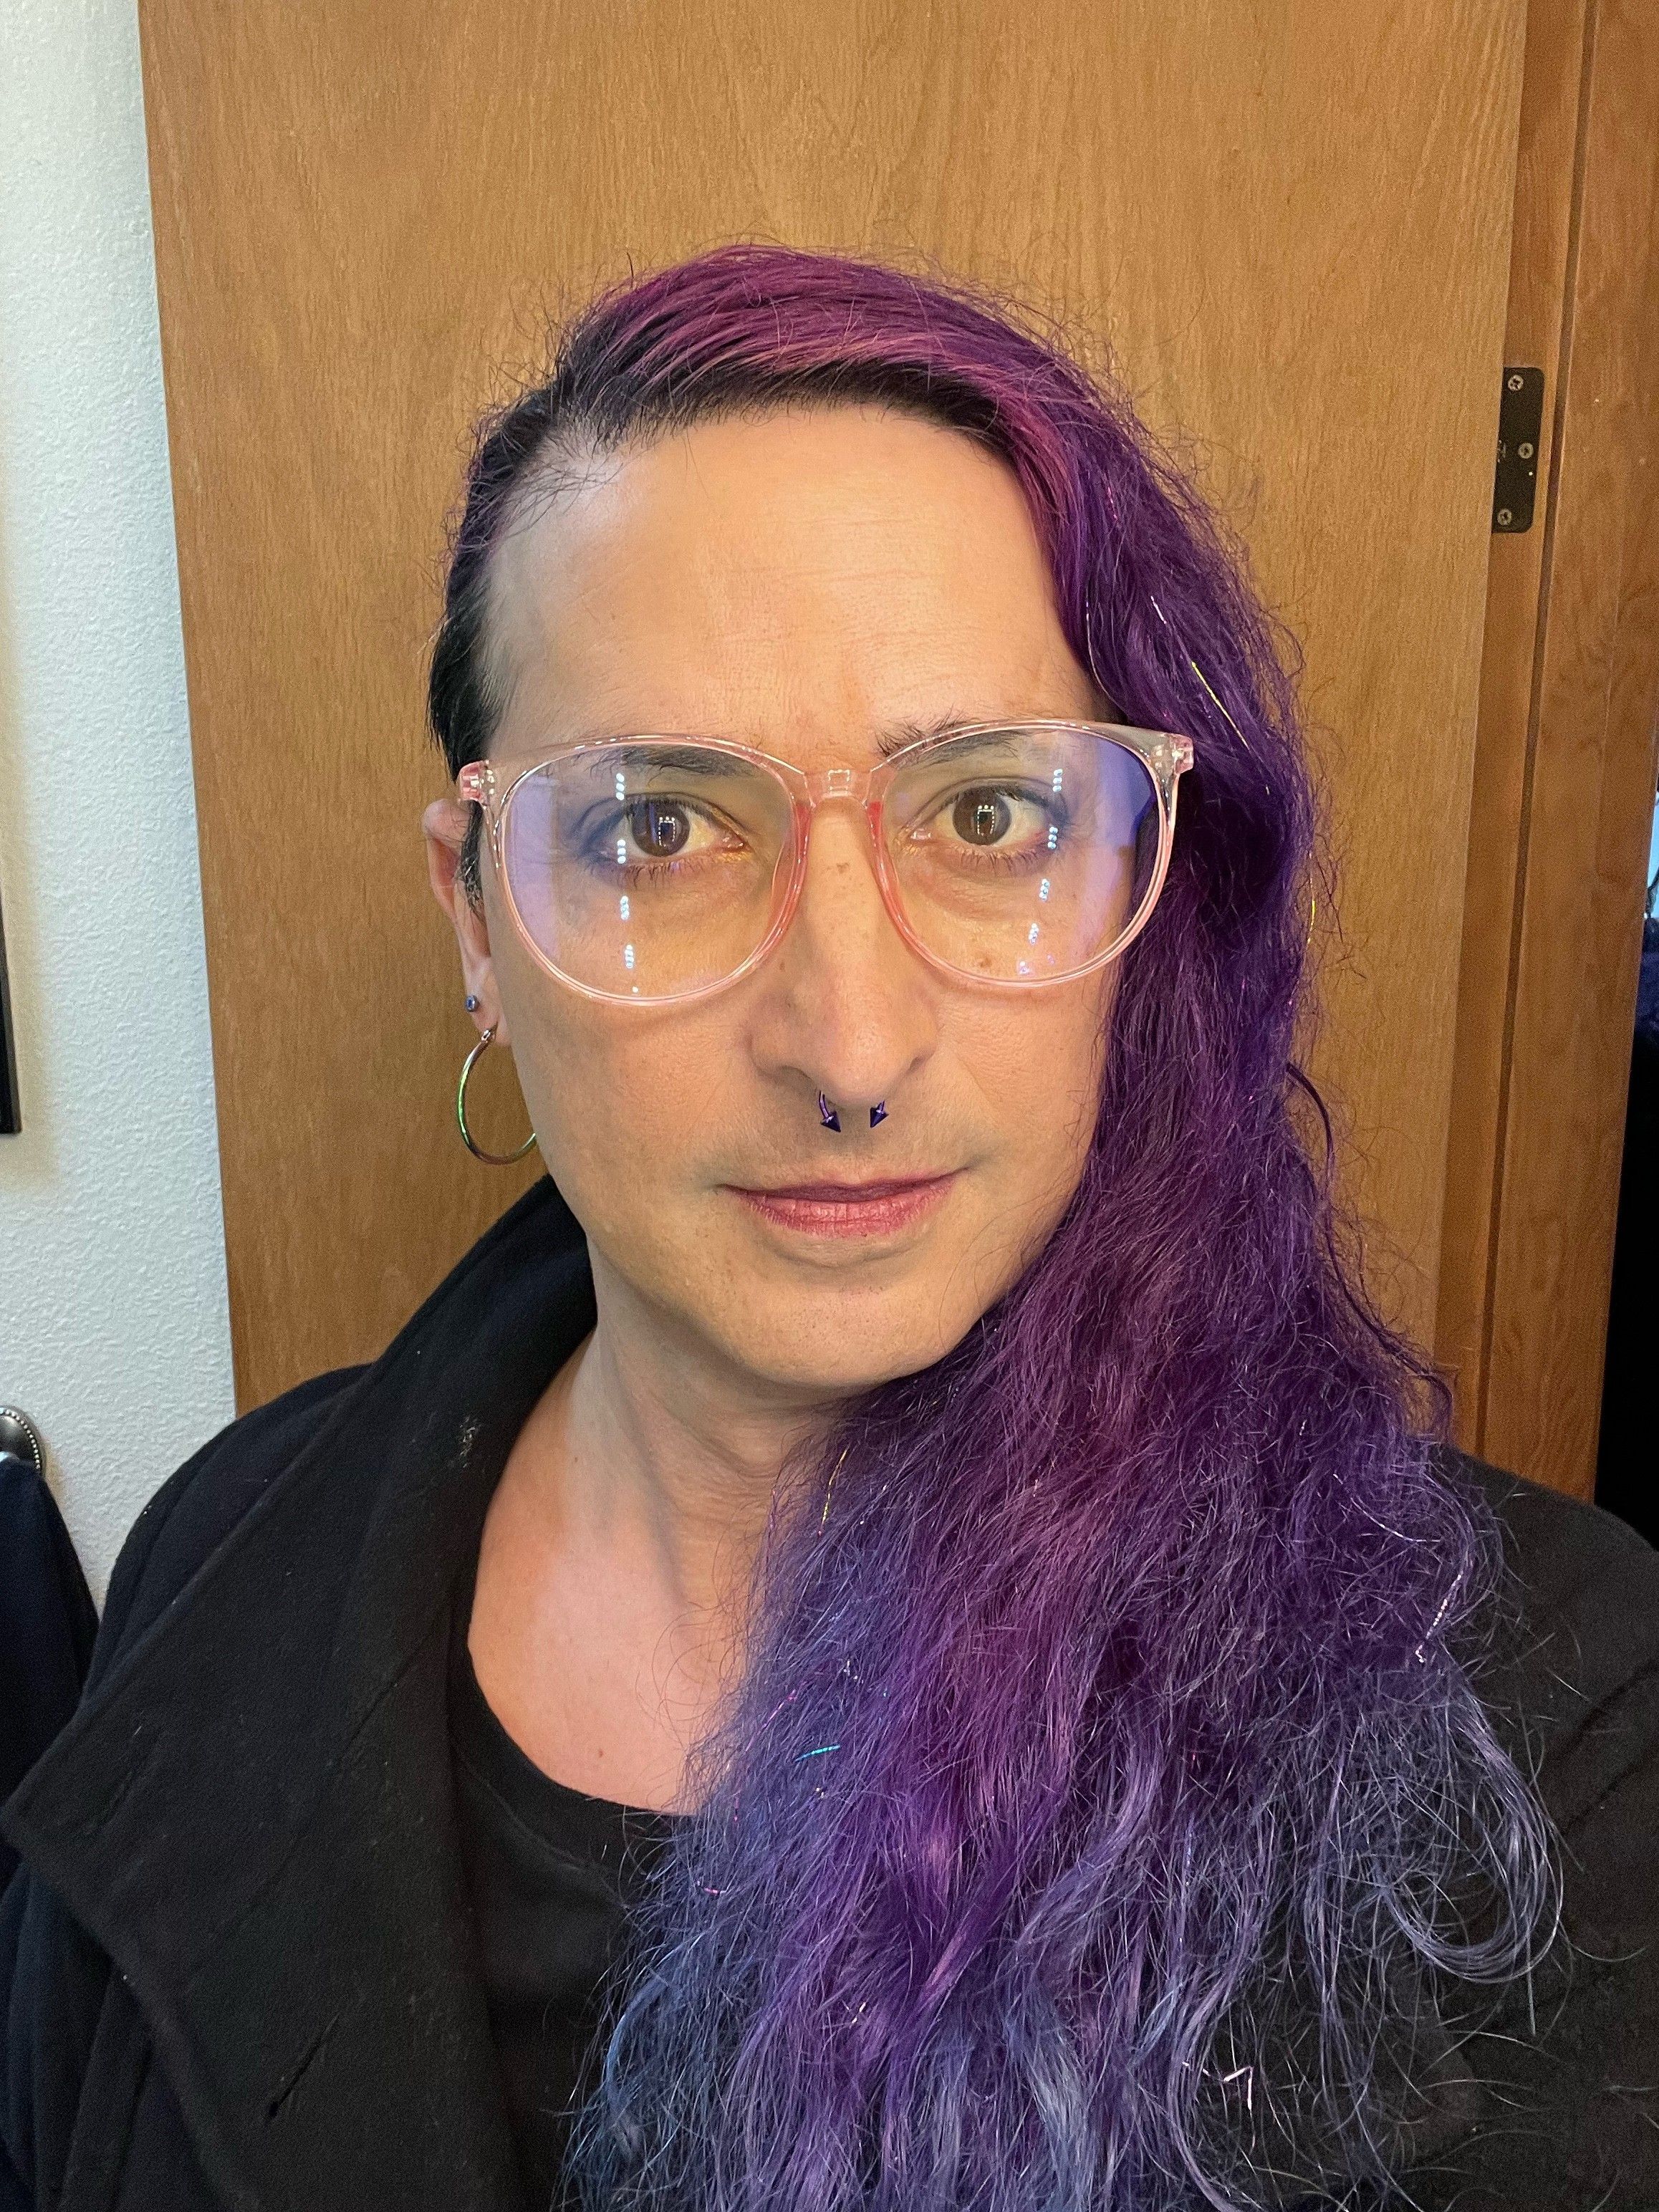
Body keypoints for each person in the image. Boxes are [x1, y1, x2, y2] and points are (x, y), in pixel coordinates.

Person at [2, 245, 1655, 2212]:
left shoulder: (1538, 1716)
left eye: (989, 816)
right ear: (475, 919)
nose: (850, 1046)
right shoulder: (222, 1558)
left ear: (1141, 867)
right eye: (657, 828)